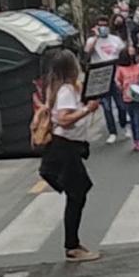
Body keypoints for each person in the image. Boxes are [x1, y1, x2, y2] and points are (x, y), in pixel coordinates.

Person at [38, 50, 101, 262]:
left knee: (78, 192)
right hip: (64, 147)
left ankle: (73, 243)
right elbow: (65, 120)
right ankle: (72, 246)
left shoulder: (60, 88)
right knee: (77, 193)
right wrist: (87, 110)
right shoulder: (65, 90)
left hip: (65, 147)